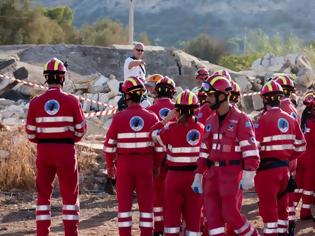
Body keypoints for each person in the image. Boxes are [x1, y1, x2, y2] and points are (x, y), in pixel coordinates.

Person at [25, 58, 87, 236]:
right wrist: (69, 139)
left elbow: (30, 132)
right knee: (69, 196)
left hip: (44, 151)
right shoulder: (72, 100)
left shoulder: (35, 102)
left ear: (46, 77)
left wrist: (44, 140)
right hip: (66, 151)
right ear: (62, 78)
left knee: (43, 196)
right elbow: (81, 129)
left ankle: (42, 233)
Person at [192, 76, 259, 236]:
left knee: (230, 214)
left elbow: (250, 148)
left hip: (232, 173)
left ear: (222, 96)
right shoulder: (210, 120)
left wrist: (249, 172)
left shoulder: (241, 119)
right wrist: (198, 174)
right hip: (212, 175)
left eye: (210, 95)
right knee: (213, 218)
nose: (206, 99)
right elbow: (204, 150)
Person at [103, 76, 163, 236]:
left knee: (124, 208)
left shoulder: (119, 117)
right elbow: (158, 147)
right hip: (145, 165)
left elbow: (109, 147)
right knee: (146, 207)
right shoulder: (152, 118)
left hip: (124, 165)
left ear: (127, 95)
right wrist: (156, 166)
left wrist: (110, 166)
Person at [254, 80, 306, 236]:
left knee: (268, 209)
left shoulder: (262, 120)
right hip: (284, 170)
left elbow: (254, 148)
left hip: (266, 171)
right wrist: (288, 157)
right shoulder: (290, 118)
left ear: (265, 99)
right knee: (282, 207)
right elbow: (301, 145)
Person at [151, 89, 204, 236]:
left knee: (172, 222)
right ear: (196, 109)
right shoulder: (202, 129)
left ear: (177, 110)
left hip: (174, 178)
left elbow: (153, 134)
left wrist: (166, 119)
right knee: (194, 221)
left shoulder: (170, 129)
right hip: (195, 178)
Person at [147, 76, 176, 235]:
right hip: (176, 160)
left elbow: (149, 137)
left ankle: (158, 228)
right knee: (174, 194)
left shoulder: (150, 111)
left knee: (157, 195)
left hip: (156, 160)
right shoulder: (180, 109)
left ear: (156, 92)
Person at [274, 74, 300, 234]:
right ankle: (290, 222)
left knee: (282, 194)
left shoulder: (283, 109)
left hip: (283, 156)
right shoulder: (292, 108)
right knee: (288, 192)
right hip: (291, 156)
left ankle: (285, 224)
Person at [293, 91, 315, 220]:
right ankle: (305, 213)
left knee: (298, 186)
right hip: (311, 158)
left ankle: (289, 211)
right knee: (308, 187)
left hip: (301, 156)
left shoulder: (306, 121)